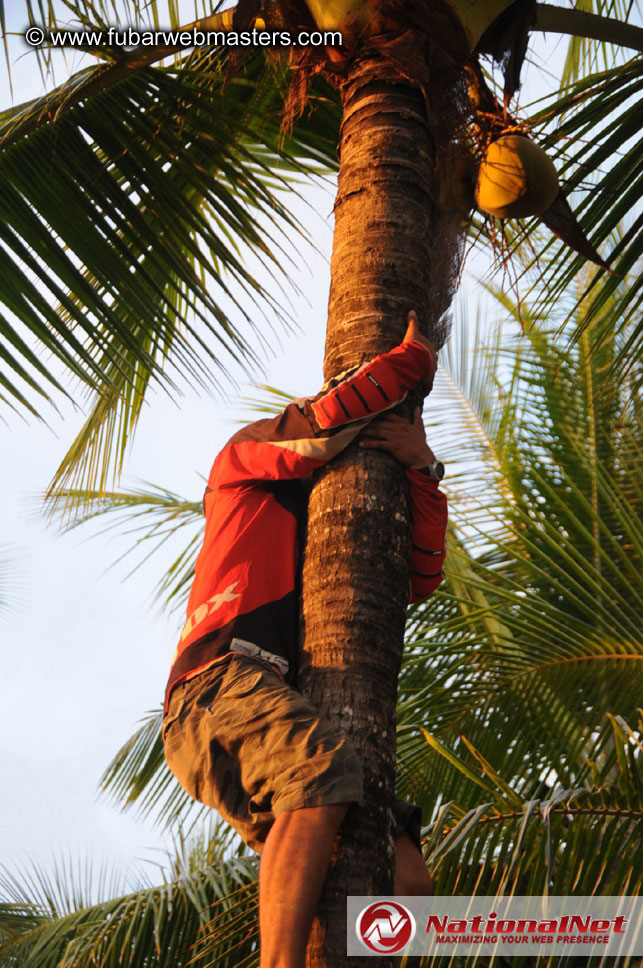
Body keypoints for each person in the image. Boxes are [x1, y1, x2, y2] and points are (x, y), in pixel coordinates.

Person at [162, 311, 448, 968]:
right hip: (217, 687)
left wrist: (422, 467)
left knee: (408, 883)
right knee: (321, 773)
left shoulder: (334, 536)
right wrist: (411, 361)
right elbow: (325, 424)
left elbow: (418, 577)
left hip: (260, 702)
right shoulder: (241, 465)